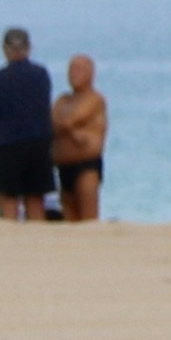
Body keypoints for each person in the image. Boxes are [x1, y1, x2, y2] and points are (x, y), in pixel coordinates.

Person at [0, 28, 58, 224]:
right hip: (37, 143)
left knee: (8, 200)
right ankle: (37, 244)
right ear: (28, 48)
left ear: (5, 49)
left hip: (6, 144)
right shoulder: (41, 75)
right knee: (35, 199)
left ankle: (10, 244)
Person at [49, 53, 109, 226]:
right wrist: (72, 131)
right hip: (63, 164)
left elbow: (70, 119)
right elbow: (52, 122)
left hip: (86, 165)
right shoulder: (63, 99)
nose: (73, 74)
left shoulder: (94, 99)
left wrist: (68, 126)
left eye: (79, 70)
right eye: (71, 70)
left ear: (91, 73)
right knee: (69, 220)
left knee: (88, 220)